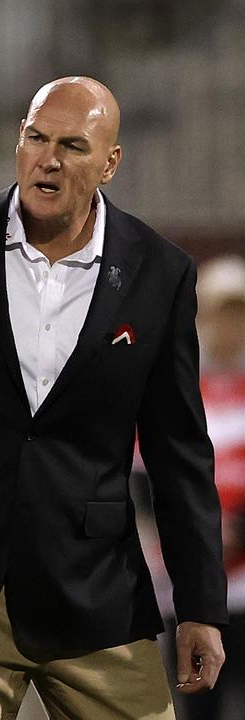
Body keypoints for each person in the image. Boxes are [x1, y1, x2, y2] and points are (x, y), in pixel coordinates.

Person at [0, 76, 228, 719]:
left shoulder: (160, 272)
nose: (48, 159)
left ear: (111, 162)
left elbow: (179, 451)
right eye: (35, 138)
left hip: (96, 594)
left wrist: (201, 605)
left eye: (72, 144)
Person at [179, 255, 245, 719]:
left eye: (239, 313)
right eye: (223, 311)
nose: (230, 325)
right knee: (202, 704)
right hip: (193, 581)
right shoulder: (181, 385)